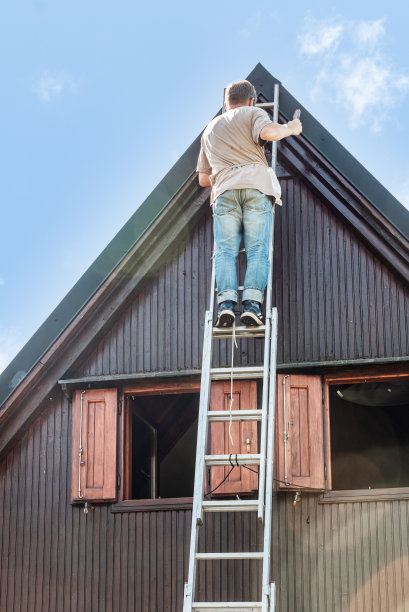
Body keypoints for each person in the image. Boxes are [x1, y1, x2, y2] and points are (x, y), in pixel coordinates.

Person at [197, 79, 302, 327]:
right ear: (252, 100)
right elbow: (268, 133)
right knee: (257, 249)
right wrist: (291, 128)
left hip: (223, 191)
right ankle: (252, 305)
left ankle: (225, 305)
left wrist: (227, 172)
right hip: (256, 186)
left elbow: (203, 178)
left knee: (225, 252)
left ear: (226, 103)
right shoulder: (254, 113)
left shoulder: (209, 129)